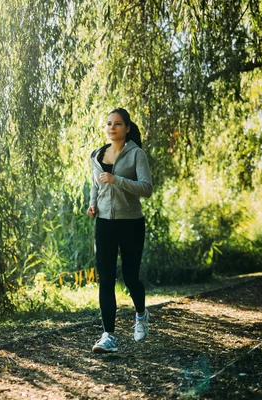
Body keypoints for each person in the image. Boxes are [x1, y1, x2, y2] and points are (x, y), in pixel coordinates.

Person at [87, 108, 153, 353]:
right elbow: (95, 184)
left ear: (127, 127)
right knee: (105, 278)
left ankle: (141, 314)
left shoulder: (136, 154)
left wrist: (118, 181)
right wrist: (93, 203)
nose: (111, 128)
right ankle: (108, 336)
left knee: (130, 276)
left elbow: (146, 188)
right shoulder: (97, 154)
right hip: (104, 223)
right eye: (108, 124)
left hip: (131, 223)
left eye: (117, 124)